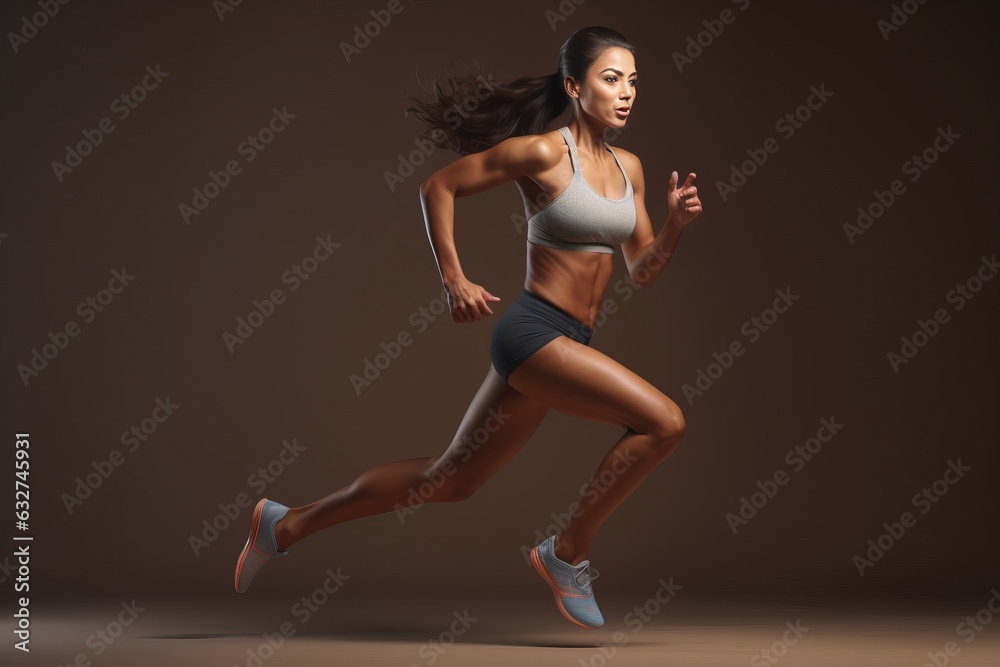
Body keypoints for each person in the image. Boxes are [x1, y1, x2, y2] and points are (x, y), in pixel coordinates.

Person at [234, 26, 702, 631]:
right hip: (533, 331)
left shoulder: (629, 167)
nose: (626, 92)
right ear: (573, 85)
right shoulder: (542, 153)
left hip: (570, 341)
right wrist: (453, 279)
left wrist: (673, 228)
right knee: (665, 422)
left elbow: (642, 270)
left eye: (633, 80)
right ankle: (566, 553)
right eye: (611, 78)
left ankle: (286, 522)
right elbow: (439, 186)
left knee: (449, 480)